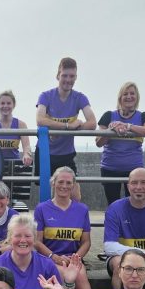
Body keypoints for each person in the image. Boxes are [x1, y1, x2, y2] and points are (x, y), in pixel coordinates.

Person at [34, 167, 95, 289]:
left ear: (74, 185)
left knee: (80, 275)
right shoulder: (42, 208)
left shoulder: (82, 209)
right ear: (53, 183)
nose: (64, 185)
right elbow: (37, 242)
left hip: (72, 258)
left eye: (69, 182)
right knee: (62, 275)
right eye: (61, 181)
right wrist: (54, 257)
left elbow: (86, 242)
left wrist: (77, 258)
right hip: (51, 259)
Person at [34, 57, 96, 200]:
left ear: (76, 77)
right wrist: (67, 126)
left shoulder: (79, 98)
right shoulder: (46, 96)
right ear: (58, 76)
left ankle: (71, 222)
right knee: (47, 195)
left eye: (72, 76)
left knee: (75, 195)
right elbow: (40, 120)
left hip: (66, 153)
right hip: (45, 153)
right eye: (64, 75)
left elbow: (92, 123)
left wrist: (77, 126)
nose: (68, 79)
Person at [95, 82, 145, 205]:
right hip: (110, 169)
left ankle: (133, 224)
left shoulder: (143, 116)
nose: (129, 97)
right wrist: (110, 130)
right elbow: (98, 142)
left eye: (132, 94)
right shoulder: (108, 116)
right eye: (125, 94)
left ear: (137, 97)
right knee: (113, 204)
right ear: (120, 98)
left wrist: (128, 126)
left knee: (136, 204)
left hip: (134, 170)